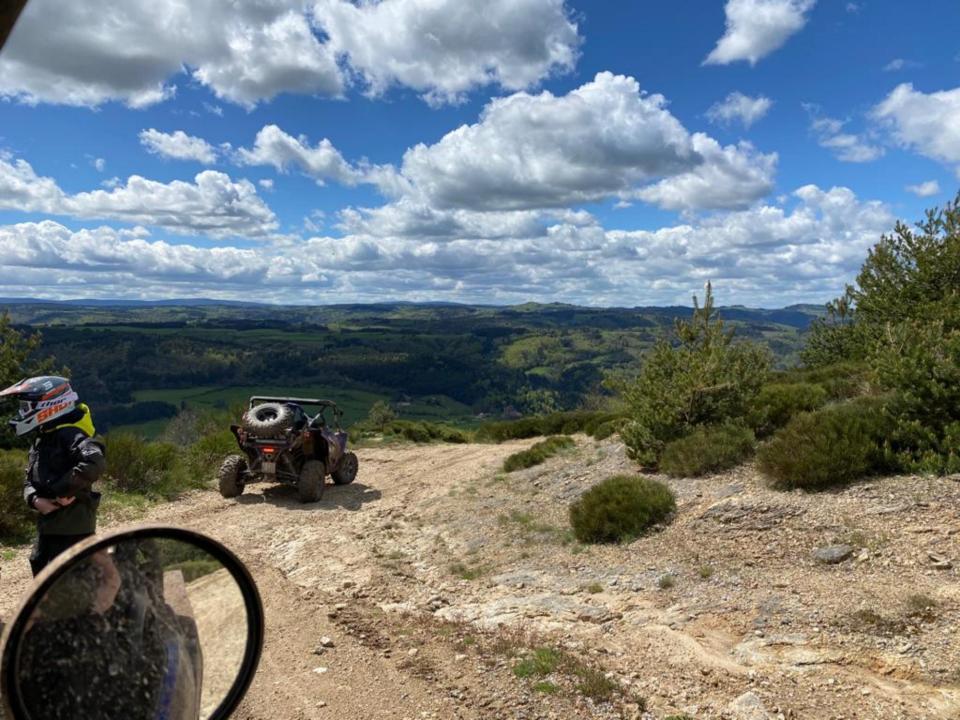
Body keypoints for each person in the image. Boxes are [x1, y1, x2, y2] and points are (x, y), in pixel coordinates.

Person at [0, 376, 106, 575]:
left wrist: (61, 492)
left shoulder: (71, 434)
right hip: (49, 529)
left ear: (49, 405)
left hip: (73, 530)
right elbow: (30, 477)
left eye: (26, 407)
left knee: (70, 589)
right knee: (43, 574)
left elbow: (95, 461)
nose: (22, 412)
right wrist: (34, 499)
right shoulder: (45, 436)